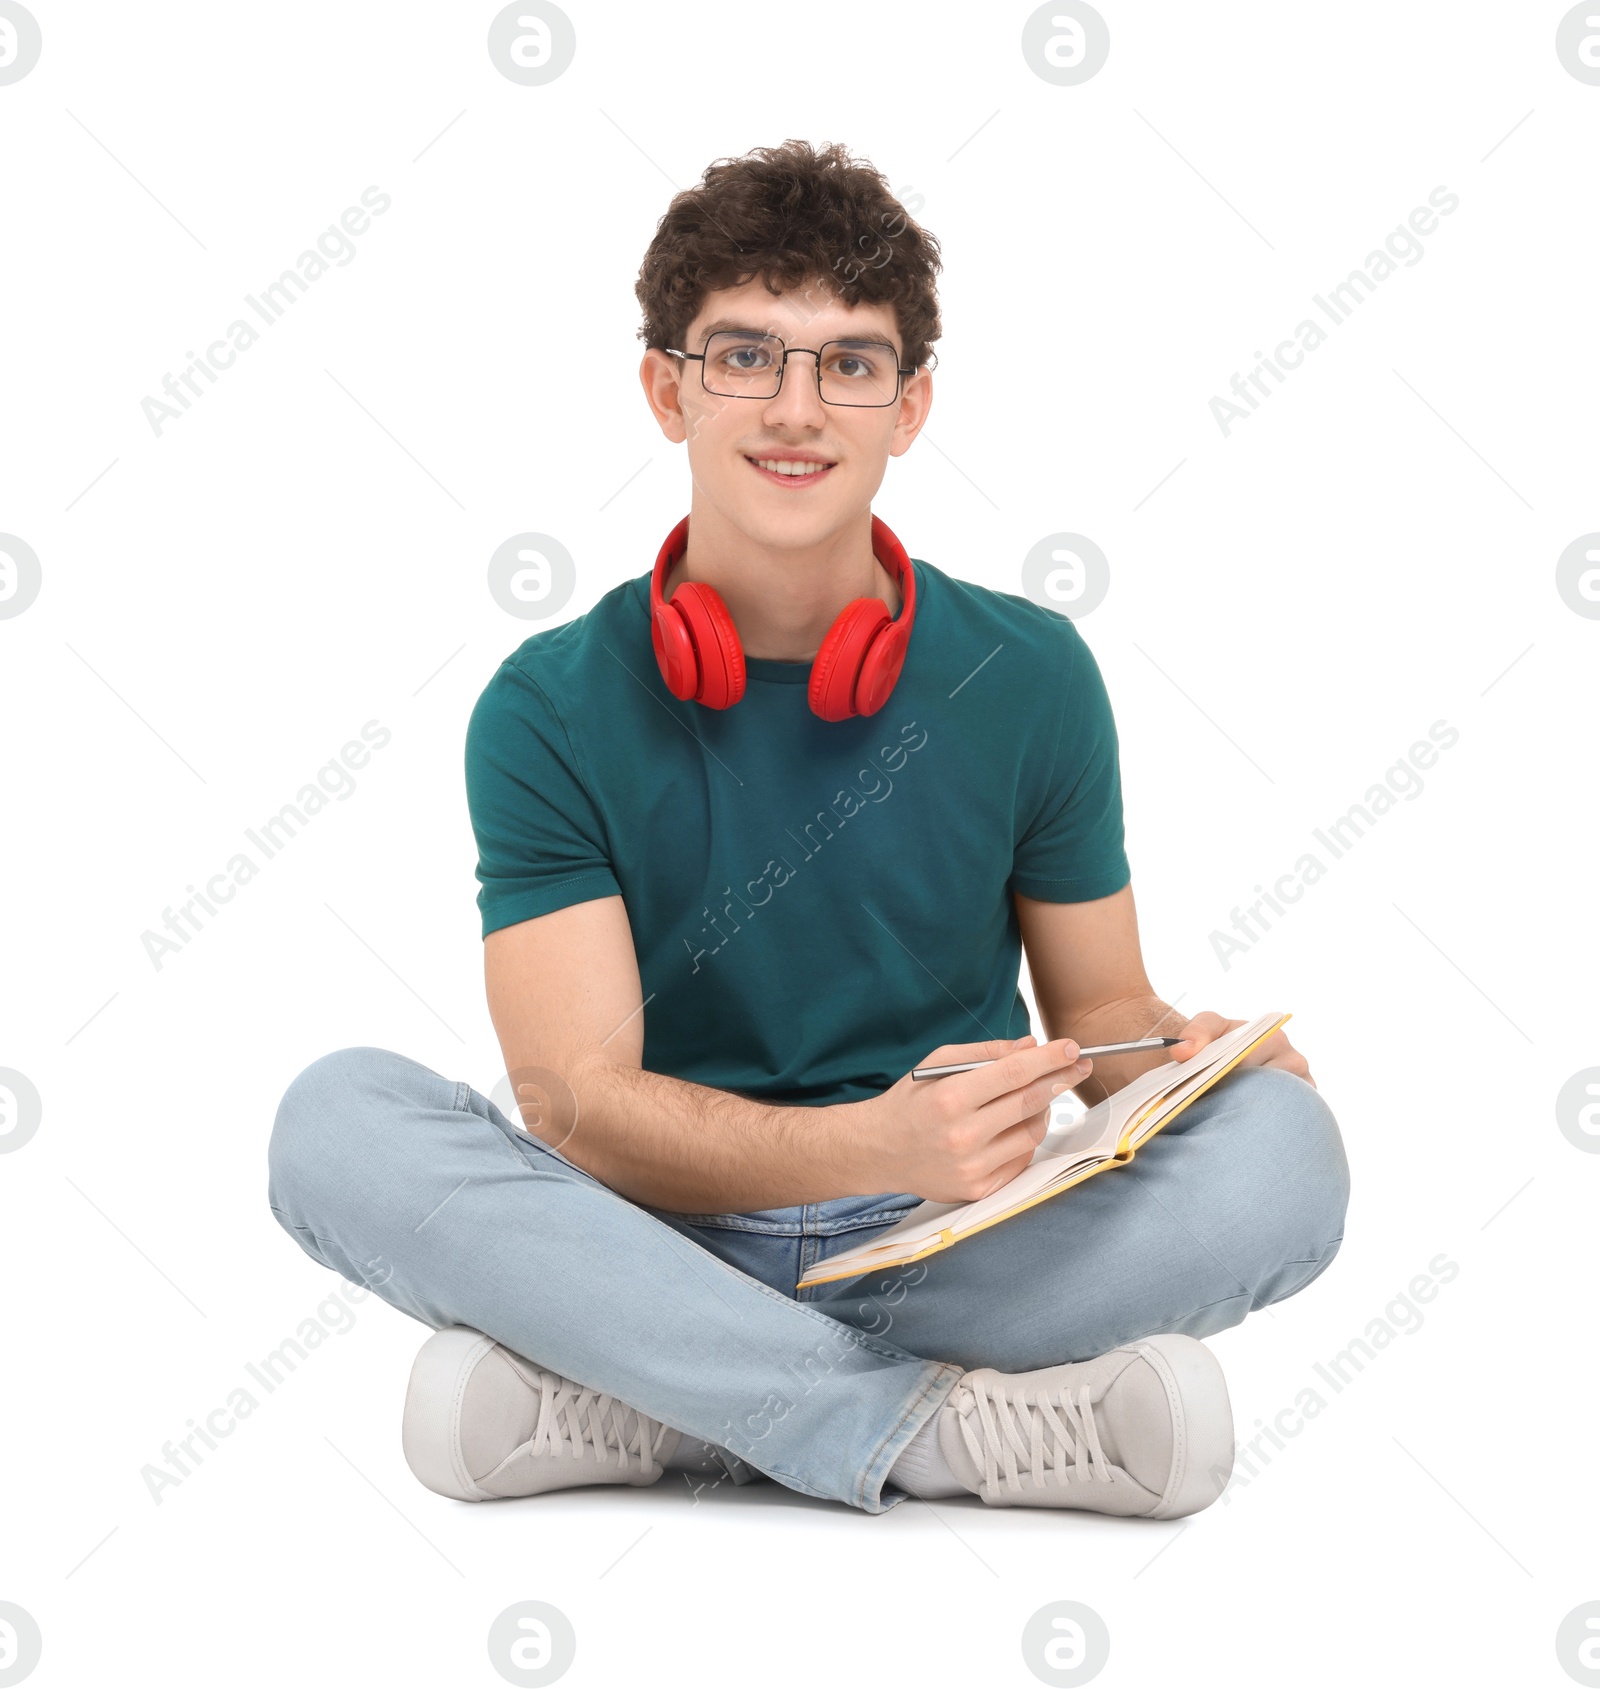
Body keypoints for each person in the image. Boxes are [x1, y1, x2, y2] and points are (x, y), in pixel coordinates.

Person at [267, 139, 1349, 1518]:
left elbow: (1106, 1011)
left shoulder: (1030, 676)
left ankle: (658, 1401)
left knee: (1287, 1154)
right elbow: (577, 1107)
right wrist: (867, 1147)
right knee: (336, 1122)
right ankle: (935, 1433)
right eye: (745, 356)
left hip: (951, 1236)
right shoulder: (546, 703)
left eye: (848, 361)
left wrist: (1181, 1058)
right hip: (648, 1230)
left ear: (910, 406)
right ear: (668, 389)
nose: (797, 407)